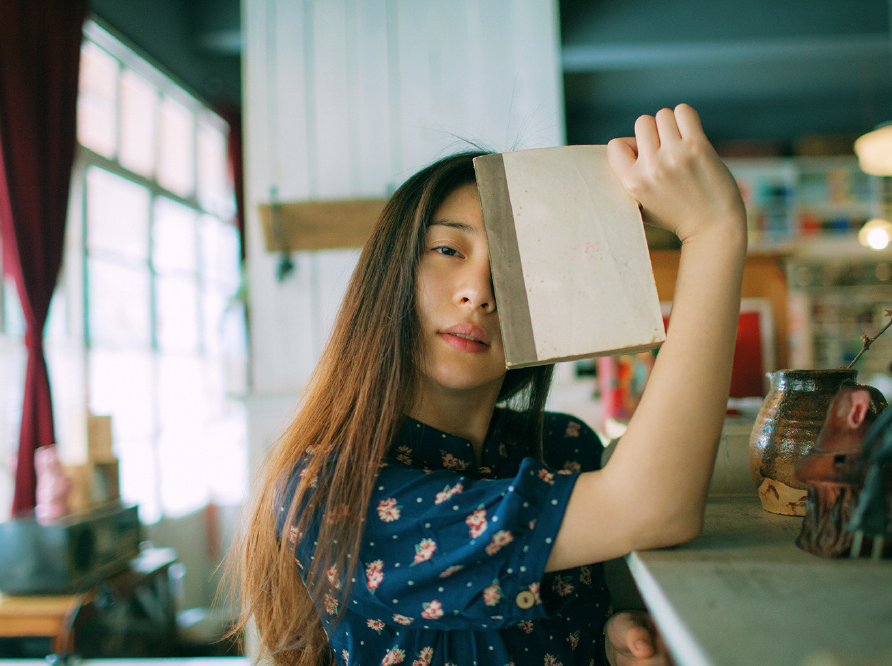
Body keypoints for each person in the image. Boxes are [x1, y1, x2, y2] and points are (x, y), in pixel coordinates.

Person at [231, 104, 747, 666]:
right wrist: (714, 232)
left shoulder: (567, 447)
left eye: (517, 265)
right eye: (449, 250)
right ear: (390, 275)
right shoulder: (329, 491)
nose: (479, 291)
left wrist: (607, 643)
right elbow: (652, 508)